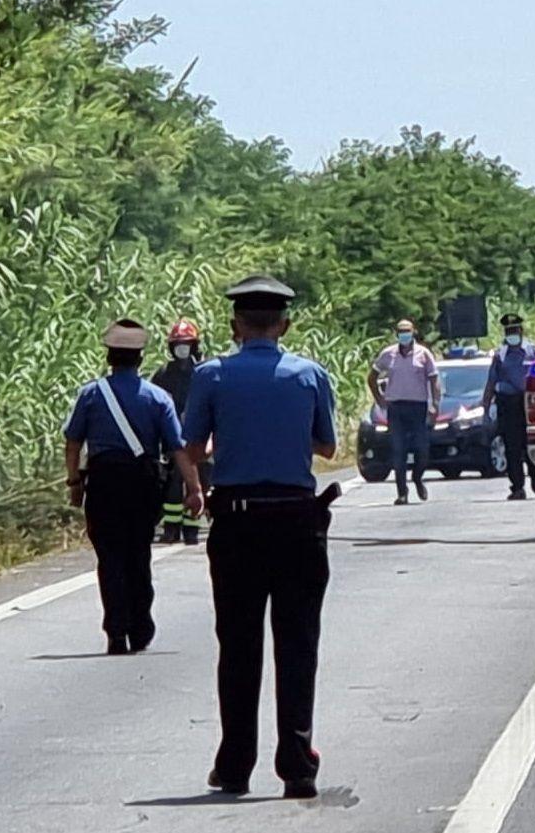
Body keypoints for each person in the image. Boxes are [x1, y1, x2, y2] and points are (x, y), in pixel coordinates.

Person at [182, 274, 339, 800]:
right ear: (285, 324)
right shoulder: (310, 374)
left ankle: (234, 765)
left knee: (239, 645)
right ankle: (297, 765)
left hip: (238, 522)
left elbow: (194, 445)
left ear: (235, 327)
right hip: (297, 521)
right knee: (298, 646)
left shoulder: (211, 376)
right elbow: (327, 446)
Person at [63, 319, 201, 655]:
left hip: (103, 483)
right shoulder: (158, 398)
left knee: (109, 558)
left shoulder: (92, 394)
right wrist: (194, 488)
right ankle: (140, 625)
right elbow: (177, 448)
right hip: (142, 484)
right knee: (138, 554)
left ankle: (116, 631)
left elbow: (72, 442)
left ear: (109, 357)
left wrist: (74, 482)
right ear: (139, 359)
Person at [368, 319, 442, 505]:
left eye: (407, 331)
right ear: (396, 333)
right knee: (398, 450)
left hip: (417, 407)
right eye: (401, 331)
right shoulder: (388, 354)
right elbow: (372, 376)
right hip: (396, 408)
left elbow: (434, 380)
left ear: (413, 331)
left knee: (421, 449)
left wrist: (435, 404)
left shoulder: (424, 354)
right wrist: (379, 398)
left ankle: (417, 477)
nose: (404, 334)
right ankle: (402, 492)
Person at [151, 318, 211, 544]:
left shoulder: (204, 371)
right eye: (178, 344)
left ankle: (193, 528)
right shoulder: (164, 373)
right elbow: (154, 401)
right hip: (171, 440)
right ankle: (171, 527)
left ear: (195, 345)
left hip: (200, 437)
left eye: (186, 343)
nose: (182, 349)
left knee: (202, 481)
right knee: (172, 485)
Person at [480, 313, 535, 500]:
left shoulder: (534, 352)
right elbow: (492, 382)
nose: (512, 334)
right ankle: (517, 486)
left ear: (521, 331)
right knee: (512, 447)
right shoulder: (500, 355)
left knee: (532, 443)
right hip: (508, 404)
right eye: (509, 331)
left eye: (515, 330)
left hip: (530, 403)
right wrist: (486, 406)